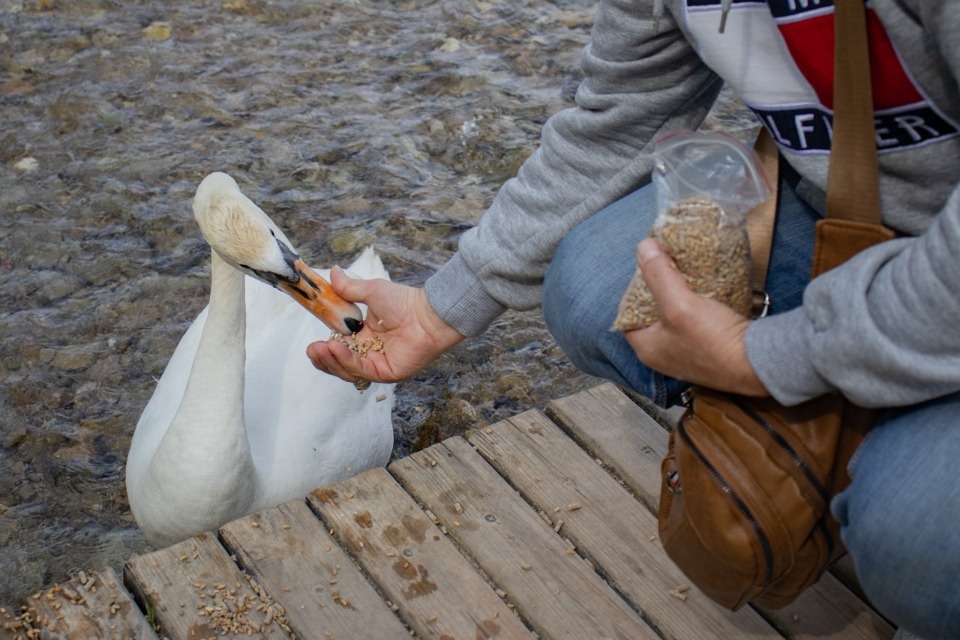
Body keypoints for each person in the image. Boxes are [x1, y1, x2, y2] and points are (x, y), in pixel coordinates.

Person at [306, 1, 960, 636]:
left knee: (912, 543)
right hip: (846, 206)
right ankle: (887, 416)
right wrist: (440, 306)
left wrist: (763, 356)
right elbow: (618, 124)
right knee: (594, 287)